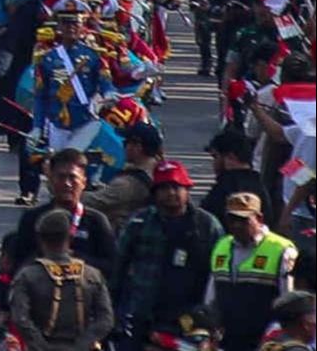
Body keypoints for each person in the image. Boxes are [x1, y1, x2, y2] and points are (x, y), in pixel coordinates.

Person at [113, 160, 225, 351]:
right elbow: (118, 268)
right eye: (164, 188)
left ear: (187, 189)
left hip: (193, 318)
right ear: (155, 193)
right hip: (143, 314)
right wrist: (114, 310)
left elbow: (220, 273)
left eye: (176, 187)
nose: (171, 193)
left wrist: (214, 319)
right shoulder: (139, 223)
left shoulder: (207, 225)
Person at [9, 208, 116, 351]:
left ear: (39, 239)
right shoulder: (92, 275)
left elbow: (20, 318)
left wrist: (41, 345)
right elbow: (106, 319)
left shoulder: (27, 276)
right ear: (71, 237)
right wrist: (83, 344)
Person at [7, 149, 120, 281]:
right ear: (50, 180)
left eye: (72, 177)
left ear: (83, 182)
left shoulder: (96, 221)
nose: (67, 183)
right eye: (61, 177)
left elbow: (112, 268)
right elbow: (18, 266)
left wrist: (75, 258)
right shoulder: (33, 218)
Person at [210, 192, 301, 351]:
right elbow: (211, 295)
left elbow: (289, 300)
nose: (237, 225)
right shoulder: (221, 246)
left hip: (265, 340)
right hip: (228, 339)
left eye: (243, 220)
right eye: (232, 219)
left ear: (259, 218)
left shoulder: (282, 249)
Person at [83, 123, 164, 230]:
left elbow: (97, 201)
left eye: (126, 142)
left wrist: (71, 192)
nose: (124, 147)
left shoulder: (130, 182)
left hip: (121, 234)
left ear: (137, 147)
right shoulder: (159, 170)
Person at [203, 128, 273, 224]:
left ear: (231, 157)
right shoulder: (261, 185)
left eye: (215, 157)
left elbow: (206, 220)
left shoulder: (225, 187)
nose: (214, 164)